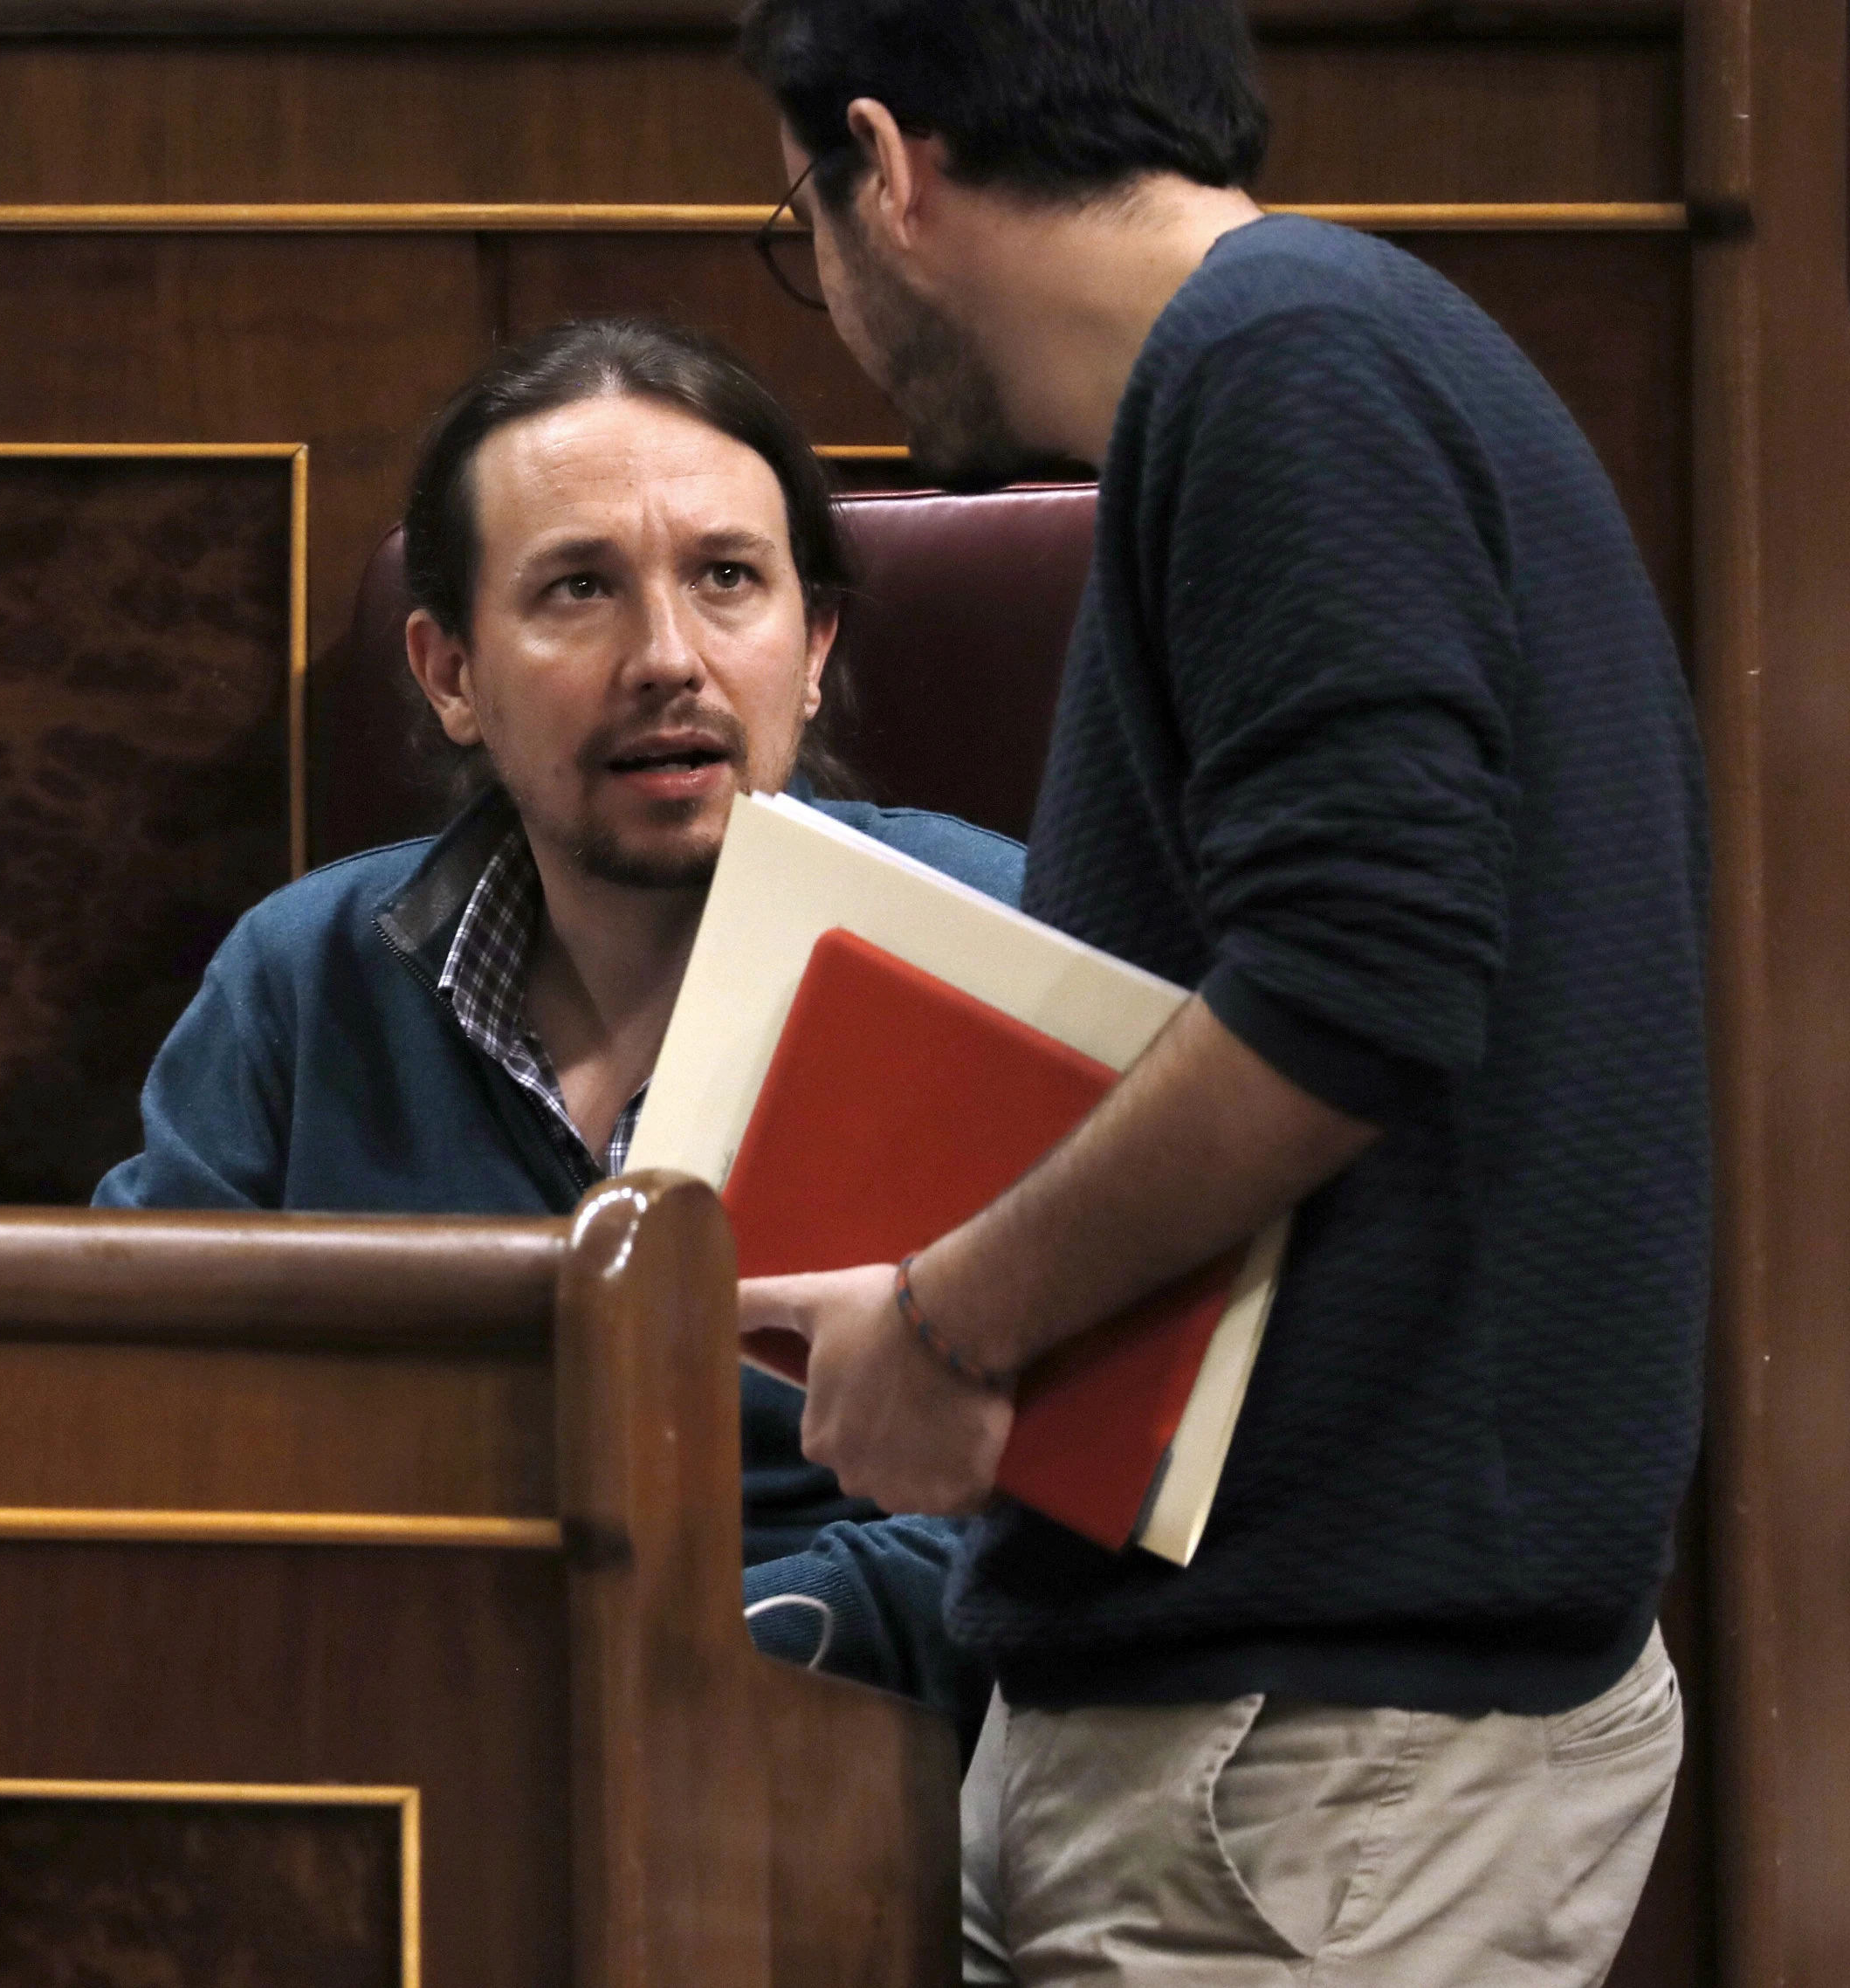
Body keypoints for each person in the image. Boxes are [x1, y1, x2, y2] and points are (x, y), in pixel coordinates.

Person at [730, 3, 1703, 1982]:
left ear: (885, 167)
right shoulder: (1323, 353)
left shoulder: (1283, 370)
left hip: (1308, 1755)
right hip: (1300, 1737)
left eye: (793, 231)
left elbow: (1356, 983)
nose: (818, 294)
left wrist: (942, 1325)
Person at [98, 317, 1022, 1723]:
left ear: (816, 642)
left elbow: (1103, 1488)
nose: (669, 656)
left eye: (728, 578)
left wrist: (739, 1647)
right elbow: (126, 1416)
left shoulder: (997, 950)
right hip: (387, 1722)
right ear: (450, 671)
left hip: (876, 1739)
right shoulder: (302, 980)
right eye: (579, 589)